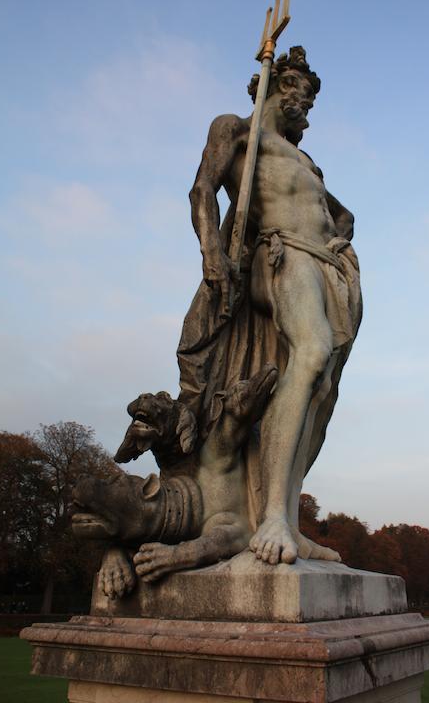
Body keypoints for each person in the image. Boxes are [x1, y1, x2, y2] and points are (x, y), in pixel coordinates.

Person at [177, 46, 362, 565]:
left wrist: (339, 236)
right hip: (280, 255)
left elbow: (341, 213)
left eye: (309, 100)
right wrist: (213, 253)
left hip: (330, 266)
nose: (305, 109)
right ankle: (273, 519)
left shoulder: (303, 159)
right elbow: (201, 191)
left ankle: (288, 519)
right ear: (277, 88)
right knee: (311, 353)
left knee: (321, 387)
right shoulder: (237, 130)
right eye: (300, 96)